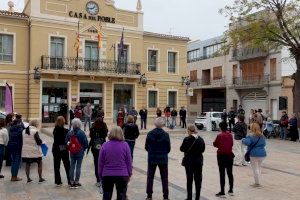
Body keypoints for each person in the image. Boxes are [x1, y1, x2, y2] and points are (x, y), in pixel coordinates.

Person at [98, 126, 132, 200]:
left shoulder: (105, 145)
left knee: (107, 196)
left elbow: (101, 162)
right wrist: (129, 174)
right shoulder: (125, 145)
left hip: (107, 175)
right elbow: (129, 162)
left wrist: (100, 175)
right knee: (121, 196)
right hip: (122, 175)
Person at [145, 117, 171, 200]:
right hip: (163, 159)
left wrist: (152, 151)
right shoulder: (166, 135)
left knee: (150, 177)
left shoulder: (150, 134)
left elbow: (146, 147)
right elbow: (168, 148)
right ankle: (166, 196)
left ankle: (149, 196)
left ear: (155, 124)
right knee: (164, 178)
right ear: (163, 125)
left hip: (152, 158)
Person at [180, 125, 205, 200]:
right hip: (198, 162)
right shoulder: (201, 139)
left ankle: (189, 197)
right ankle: (197, 198)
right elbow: (203, 150)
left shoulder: (186, 139)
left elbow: (182, 149)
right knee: (198, 180)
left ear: (189, 131)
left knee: (189, 180)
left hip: (189, 162)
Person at [213, 121, 234, 197]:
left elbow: (215, 144)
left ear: (221, 127)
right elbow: (232, 144)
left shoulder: (219, 135)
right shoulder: (230, 135)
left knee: (222, 173)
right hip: (230, 155)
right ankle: (231, 190)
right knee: (230, 173)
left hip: (221, 156)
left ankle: (222, 191)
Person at [66, 118, 88, 189]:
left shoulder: (70, 132)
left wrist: (70, 148)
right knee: (78, 167)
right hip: (80, 152)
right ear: (79, 124)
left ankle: (71, 182)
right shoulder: (82, 133)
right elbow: (85, 143)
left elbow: (66, 142)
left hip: (72, 152)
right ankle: (76, 182)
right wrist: (83, 149)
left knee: (72, 166)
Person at [242, 123, 267, 187]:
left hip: (254, 154)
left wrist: (243, 140)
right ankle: (258, 181)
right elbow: (264, 144)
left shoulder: (250, 135)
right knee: (259, 168)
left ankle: (257, 183)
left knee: (255, 169)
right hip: (262, 153)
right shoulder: (262, 135)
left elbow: (247, 143)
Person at [89, 117, 108, 185]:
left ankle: (98, 180)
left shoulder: (93, 127)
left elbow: (90, 135)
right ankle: (103, 178)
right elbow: (106, 134)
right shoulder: (104, 126)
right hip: (103, 146)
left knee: (96, 163)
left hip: (94, 147)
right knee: (103, 163)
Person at [52, 116, 70, 186]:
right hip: (63, 148)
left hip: (56, 148)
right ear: (63, 122)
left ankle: (58, 181)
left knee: (56, 166)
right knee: (67, 165)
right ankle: (70, 180)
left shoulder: (55, 130)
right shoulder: (66, 131)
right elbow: (67, 141)